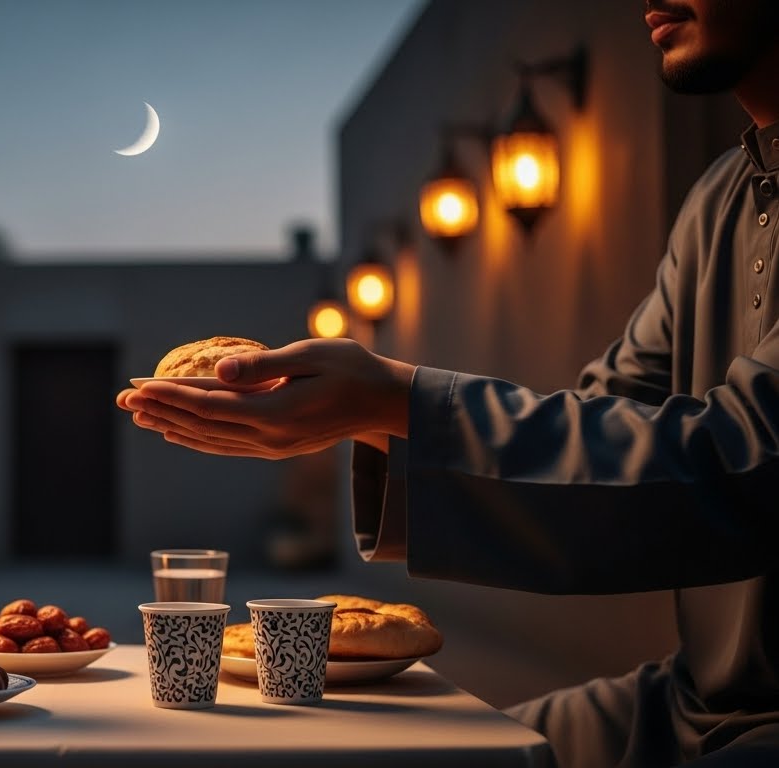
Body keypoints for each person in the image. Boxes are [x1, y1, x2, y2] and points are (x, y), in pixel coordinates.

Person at [118, 1, 779, 765]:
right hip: (692, 701)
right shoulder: (718, 196)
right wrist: (369, 419)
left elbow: (744, 461)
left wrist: (394, 399)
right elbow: (611, 420)